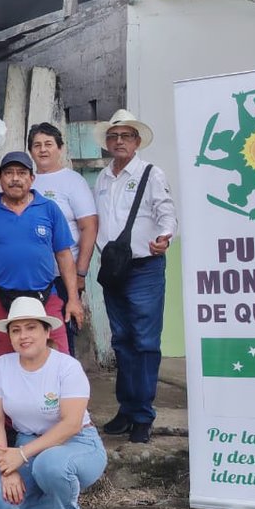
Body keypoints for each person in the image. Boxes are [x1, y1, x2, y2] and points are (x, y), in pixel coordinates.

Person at [0, 297, 107, 509]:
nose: (23, 336)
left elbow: (71, 423)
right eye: (16, 330)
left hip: (77, 443)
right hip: (28, 444)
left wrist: (22, 455)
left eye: (31, 328)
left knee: (50, 465)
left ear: (47, 331)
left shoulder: (67, 367)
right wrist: (7, 464)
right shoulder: (3, 365)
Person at [93, 109, 177, 445]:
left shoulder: (150, 173)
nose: (118, 142)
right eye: (113, 137)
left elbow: (166, 210)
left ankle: (143, 415)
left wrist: (165, 236)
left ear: (137, 141)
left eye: (125, 136)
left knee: (143, 342)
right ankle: (127, 409)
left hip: (144, 267)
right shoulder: (102, 177)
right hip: (114, 269)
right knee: (122, 341)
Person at [0, 151, 83, 361]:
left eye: (21, 173)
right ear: (0, 178)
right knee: (4, 360)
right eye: (9, 173)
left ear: (32, 178)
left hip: (45, 294)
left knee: (59, 357)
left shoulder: (49, 209)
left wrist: (73, 299)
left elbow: (64, 256)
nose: (15, 178)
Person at [28, 122, 98, 357]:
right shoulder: (28, 180)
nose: (43, 150)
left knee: (62, 334)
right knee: (33, 334)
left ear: (60, 148)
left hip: (63, 277)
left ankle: (66, 386)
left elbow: (88, 227)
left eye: (49, 144)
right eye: (37, 145)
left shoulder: (72, 181)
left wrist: (80, 273)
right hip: (33, 276)